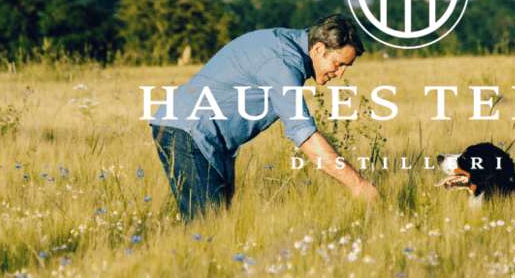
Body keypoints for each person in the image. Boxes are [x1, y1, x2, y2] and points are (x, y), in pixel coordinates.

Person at [149, 14, 379, 219]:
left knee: (219, 225)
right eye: (338, 64)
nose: (340, 74)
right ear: (319, 49)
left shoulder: (288, 47)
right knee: (205, 228)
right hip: (189, 132)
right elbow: (304, 135)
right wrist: (357, 185)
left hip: (208, 139)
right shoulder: (283, 62)